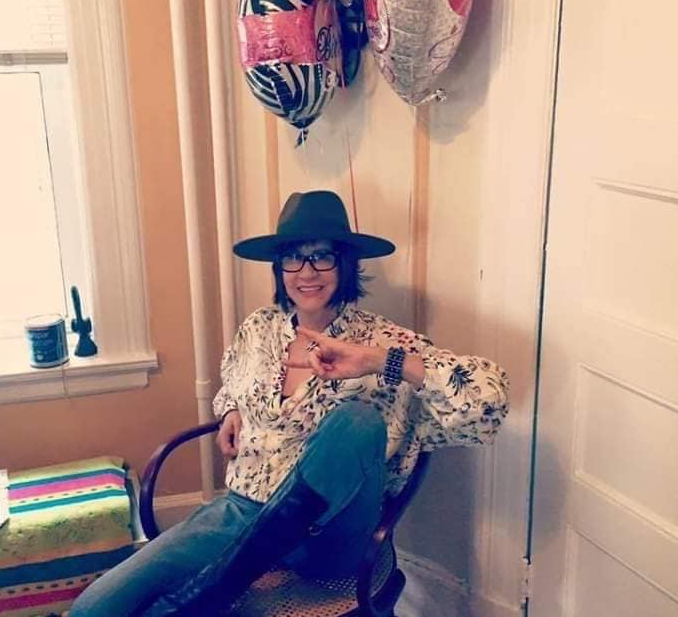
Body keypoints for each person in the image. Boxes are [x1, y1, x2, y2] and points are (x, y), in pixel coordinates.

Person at [69, 190, 508, 617]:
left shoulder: (380, 338)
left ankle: (212, 591)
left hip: (330, 534)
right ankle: (225, 580)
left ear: (344, 263)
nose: (307, 271)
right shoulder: (258, 329)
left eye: (322, 256)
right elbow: (232, 380)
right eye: (293, 258)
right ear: (279, 268)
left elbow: (488, 399)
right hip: (242, 511)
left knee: (357, 421)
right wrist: (231, 410)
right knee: (96, 605)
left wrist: (375, 360)